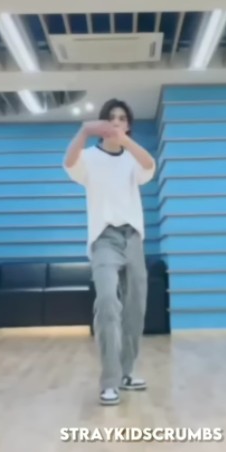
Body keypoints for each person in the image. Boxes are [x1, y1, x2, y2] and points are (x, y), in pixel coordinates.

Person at [63, 98, 156, 406]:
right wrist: (84, 131)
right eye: (111, 118)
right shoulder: (89, 158)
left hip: (133, 238)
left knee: (135, 308)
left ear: (128, 125)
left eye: (122, 118)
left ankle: (127, 372)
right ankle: (109, 381)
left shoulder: (132, 158)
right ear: (103, 124)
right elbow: (69, 163)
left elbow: (149, 166)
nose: (116, 122)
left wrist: (125, 141)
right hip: (104, 238)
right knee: (106, 303)